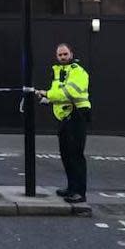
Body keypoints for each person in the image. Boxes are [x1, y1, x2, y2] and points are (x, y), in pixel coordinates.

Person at [37, 43, 91, 204]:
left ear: (71, 54)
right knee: (66, 155)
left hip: (77, 116)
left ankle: (80, 193)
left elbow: (69, 93)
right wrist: (45, 99)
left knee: (76, 155)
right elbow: (59, 96)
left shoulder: (77, 71)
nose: (62, 57)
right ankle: (71, 188)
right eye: (60, 55)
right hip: (64, 118)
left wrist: (47, 93)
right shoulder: (59, 72)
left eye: (65, 54)